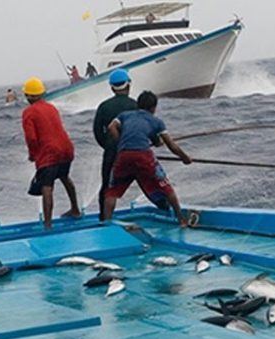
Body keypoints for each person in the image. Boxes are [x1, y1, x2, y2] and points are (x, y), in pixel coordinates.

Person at [101, 90, 193, 226]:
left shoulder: (125, 115)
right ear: (154, 108)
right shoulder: (157, 122)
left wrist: (121, 143)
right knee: (166, 187)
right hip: (143, 156)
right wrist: (185, 158)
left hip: (123, 155)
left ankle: (106, 224)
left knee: (112, 192)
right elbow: (171, 145)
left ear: (138, 105)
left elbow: (111, 127)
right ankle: (181, 219)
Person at [21, 77, 82, 230]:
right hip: (66, 148)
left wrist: (32, 154)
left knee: (47, 186)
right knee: (64, 176)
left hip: (49, 152)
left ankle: (47, 225)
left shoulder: (28, 112)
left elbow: (31, 138)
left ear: (28, 96)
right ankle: (75, 209)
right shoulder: (51, 107)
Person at [92, 69, 138, 218]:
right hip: (134, 151)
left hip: (111, 152)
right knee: (147, 181)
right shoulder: (136, 105)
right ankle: (167, 209)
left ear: (112, 88)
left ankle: (104, 217)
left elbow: (97, 131)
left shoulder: (104, 106)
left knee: (107, 186)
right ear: (128, 85)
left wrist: (108, 145)